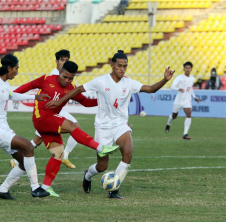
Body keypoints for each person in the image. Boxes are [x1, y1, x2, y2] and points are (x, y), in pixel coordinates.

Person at [46, 50, 175, 199]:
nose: (122, 69)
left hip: (120, 124)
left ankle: (114, 189)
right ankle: (87, 176)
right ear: (112, 65)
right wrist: (59, 101)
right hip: (103, 127)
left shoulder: (129, 83)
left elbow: (150, 88)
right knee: (102, 167)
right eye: (119, 65)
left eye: (125, 66)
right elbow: (78, 89)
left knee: (128, 153)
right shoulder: (101, 81)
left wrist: (165, 79)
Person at [14, 61, 120, 197]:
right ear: (60, 72)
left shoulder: (71, 88)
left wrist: (104, 100)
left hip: (51, 120)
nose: (67, 80)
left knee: (58, 154)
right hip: (41, 118)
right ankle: (100, 148)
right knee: (72, 125)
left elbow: (86, 102)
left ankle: (45, 188)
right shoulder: (46, 79)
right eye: (64, 77)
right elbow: (28, 86)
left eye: (71, 78)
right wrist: (11, 94)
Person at [0, 54, 51, 200]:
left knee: (23, 162)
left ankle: (2, 190)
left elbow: (12, 96)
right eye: (16, 68)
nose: (17, 71)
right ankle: (35, 188)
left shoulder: (4, 84)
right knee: (28, 146)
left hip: (4, 130)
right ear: (9, 68)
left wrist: (35, 97)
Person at [10, 50, 80, 169]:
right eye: (62, 60)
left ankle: (65, 155)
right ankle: (16, 160)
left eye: (66, 60)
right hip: (46, 112)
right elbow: (33, 85)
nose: (64, 62)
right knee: (38, 140)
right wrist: (13, 94)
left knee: (75, 129)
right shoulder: (52, 76)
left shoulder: (66, 75)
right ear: (56, 61)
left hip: (57, 111)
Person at [165, 61, 200, 139]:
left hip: (187, 100)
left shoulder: (192, 79)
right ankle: (168, 124)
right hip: (178, 100)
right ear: (184, 69)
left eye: (189, 68)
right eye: (186, 68)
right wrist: (178, 88)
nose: (187, 69)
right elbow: (172, 86)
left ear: (191, 69)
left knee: (189, 113)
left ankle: (185, 134)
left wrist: (194, 96)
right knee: (174, 116)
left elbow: (190, 88)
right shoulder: (179, 77)